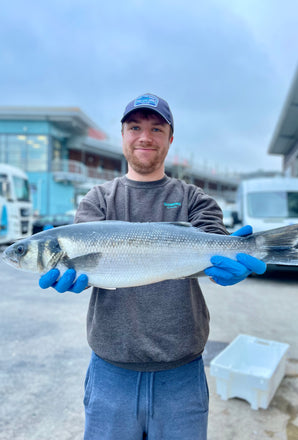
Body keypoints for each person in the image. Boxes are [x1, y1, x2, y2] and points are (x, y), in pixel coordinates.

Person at [39, 93, 266, 440]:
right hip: (111, 372)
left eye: (156, 128)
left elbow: (214, 248)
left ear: (170, 138)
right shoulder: (98, 200)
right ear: (123, 135)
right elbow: (87, 274)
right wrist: (77, 278)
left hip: (182, 374)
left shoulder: (194, 198)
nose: (145, 137)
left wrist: (234, 258)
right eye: (135, 127)